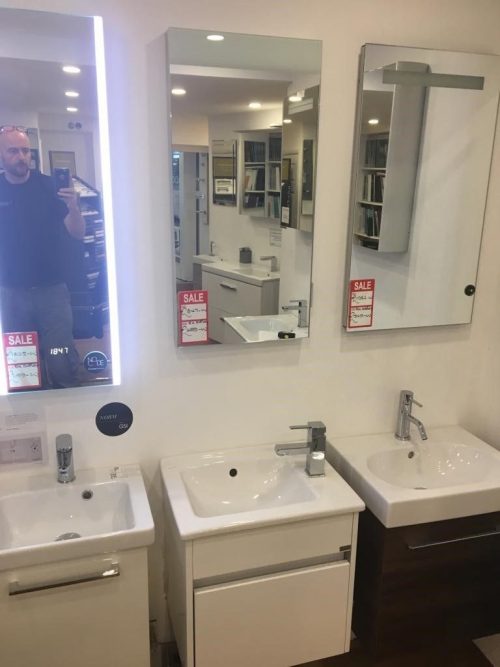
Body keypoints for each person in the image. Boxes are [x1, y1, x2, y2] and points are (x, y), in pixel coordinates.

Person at [0, 125, 85, 389]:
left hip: (52, 292)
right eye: (13, 151)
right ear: (2, 155)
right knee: (22, 364)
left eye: (25, 151)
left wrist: (73, 207)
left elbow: (77, 233)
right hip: (11, 293)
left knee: (60, 358)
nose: (21, 157)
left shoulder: (49, 186)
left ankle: (68, 406)